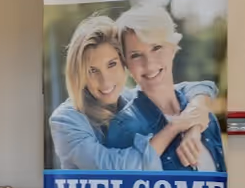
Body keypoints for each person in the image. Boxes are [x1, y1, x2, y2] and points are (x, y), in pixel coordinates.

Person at [48, 15, 216, 170]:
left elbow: (198, 87)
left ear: (124, 63)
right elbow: (116, 168)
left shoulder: (129, 98)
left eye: (112, 64)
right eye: (92, 71)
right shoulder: (65, 120)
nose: (105, 81)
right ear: (79, 75)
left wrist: (196, 118)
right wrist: (175, 126)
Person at [105, 5, 226, 172]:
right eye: (136, 55)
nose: (149, 64)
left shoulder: (206, 118)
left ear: (172, 48)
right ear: (125, 63)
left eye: (156, 48)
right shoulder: (124, 127)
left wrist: (194, 123)